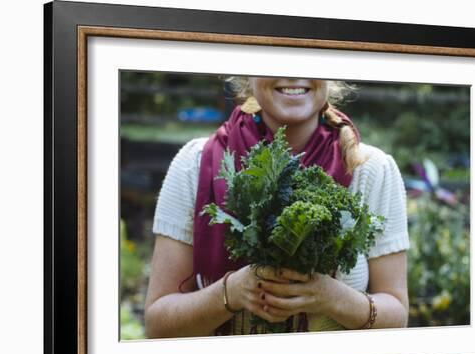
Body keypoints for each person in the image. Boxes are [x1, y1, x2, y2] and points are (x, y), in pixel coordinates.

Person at [144, 77, 410, 338]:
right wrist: (231, 293)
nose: (293, 73)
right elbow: (157, 326)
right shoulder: (196, 164)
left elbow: (397, 317)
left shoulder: (372, 170)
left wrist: (333, 298)